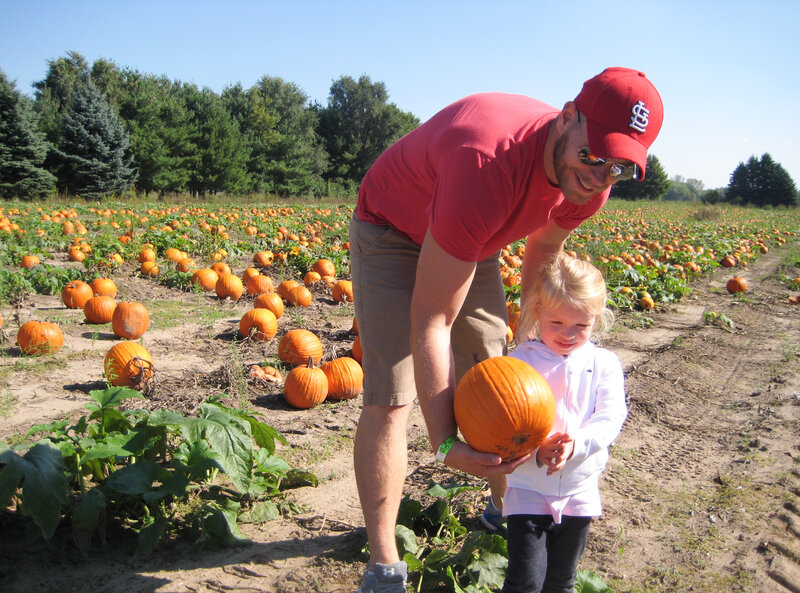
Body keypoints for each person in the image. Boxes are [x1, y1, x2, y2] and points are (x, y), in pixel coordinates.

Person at [350, 67, 662, 593]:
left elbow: (542, 252)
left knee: (498, 371)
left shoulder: (591, 185)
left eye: (617, 168)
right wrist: (446, 439)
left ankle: (506, 506)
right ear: (567, 117)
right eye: (591, 155)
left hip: (476, 233)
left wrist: (529, 354)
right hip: (395, 228)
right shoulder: (486, 163)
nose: (597, 175)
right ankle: (384, 566)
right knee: (393, 393)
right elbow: (432, 318)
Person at [501, 252, 626, 593]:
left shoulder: (605, 364)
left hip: (580, 488)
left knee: (561, 580)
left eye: (581, 326)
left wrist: (578, 444)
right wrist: (536, 452)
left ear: (597, 319)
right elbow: (506, 421)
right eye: (557, 323)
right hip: (527, 486)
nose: (568, 334)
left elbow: (611, 415)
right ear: (537, 312)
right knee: (525, 580)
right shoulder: (519, 362)